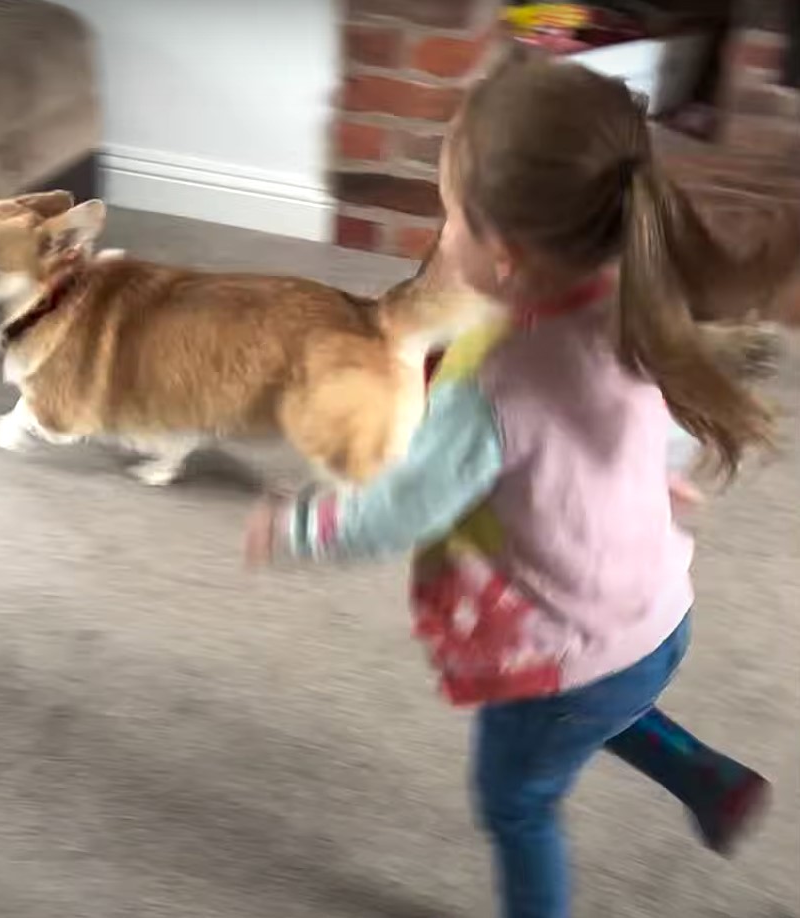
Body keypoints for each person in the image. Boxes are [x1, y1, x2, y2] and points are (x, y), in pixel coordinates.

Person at [244, 52, 783, 918]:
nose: (441, 232)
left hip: (567, 652)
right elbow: (658, 415)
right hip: (657, 616)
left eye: (449, 214)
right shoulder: (630, 294)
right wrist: (657, 477)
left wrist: (302, 526)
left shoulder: (495, 383)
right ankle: (706, 780)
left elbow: (398, 511)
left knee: (518, 801)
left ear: (500, 251)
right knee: (602, 698)